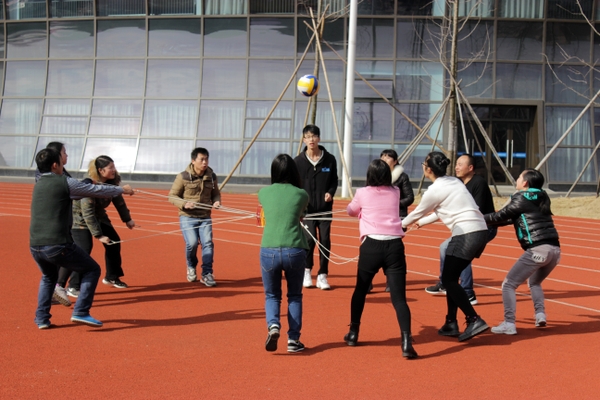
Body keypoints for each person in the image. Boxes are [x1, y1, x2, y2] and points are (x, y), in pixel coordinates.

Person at [30, 148, 134, 329]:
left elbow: (84, 186)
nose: (65, 160)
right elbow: (94, 190)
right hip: (57, 243)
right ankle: (81, 311)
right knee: (92, 269)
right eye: (62, 157)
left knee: (48, 277)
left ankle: (41, 318)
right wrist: (121, 189)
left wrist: (88, 182)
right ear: (55, 165)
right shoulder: (64, 182)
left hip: (35, 245)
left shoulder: (39, 182)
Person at [402, 152, 489, 342]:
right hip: (480, 230)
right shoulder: (454, 182)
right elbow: (441, 210)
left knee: (448, 280)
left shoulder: (434, 190)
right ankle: (451, 322)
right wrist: (422, 223)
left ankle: (473, 319)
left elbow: (417, 211)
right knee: (452, 278)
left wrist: (400, 225)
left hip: (466, 234)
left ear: (428, 169)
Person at [345, 159, 417, 359]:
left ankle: (353, 332)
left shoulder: (362, 192)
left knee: (360, 291)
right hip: (394, 245)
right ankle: (406, 341)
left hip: (371, 245)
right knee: (399, 298)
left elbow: (350, 211)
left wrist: (359, 208)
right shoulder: (395, 192)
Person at [484, 169, 560, 335]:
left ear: (525, 182)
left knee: (508, 285)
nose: (517, 179)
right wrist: (488, 222)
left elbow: (500, 216)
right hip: (555, 250)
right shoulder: (542, 196)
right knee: (534, 282)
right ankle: (540, 314)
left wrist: (475, 219)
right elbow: (511, 218)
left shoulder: (521, 197)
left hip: (538, 249)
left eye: (519, 177)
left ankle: (509, 323)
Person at [425, 154, 497, 305]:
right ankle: (446, 283)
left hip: (483, 227)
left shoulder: (478, 183)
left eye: (460, 164)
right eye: (456, 164)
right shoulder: (458, 183)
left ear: (470, 168)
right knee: (446, 248)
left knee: (461, 252)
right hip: (469, 228)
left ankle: (467, 292)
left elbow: (476, 210)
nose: (456, 167)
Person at [258, 154, 309, 353]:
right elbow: (301, 214)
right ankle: (293, 340)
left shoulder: (263, 193)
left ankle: (273, 325)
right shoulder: (301, 194)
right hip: (294, 248)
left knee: (272, 295)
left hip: (269, 248)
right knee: (294, 295)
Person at [71, 155, 136, 289]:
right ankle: (74, 285)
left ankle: (112, 277)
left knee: (114, 242)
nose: (114, 170)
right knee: (84, 250)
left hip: (99, 216)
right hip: (80, 219)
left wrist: (127, 219)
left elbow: (119, 201)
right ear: (100, 170)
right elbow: (87, 213)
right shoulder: (88, 185)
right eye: (110, 167)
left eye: (114, 167)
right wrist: (99, 235)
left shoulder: (112, 183)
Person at [294, 125, 338, 290]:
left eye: (313, 136)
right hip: (307, 210)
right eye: (307, 136)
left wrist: (330, 192)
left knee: (324, 240)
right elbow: (295, 184)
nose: (311, 139)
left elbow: (334, 180)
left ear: (319, 138)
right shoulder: (298, 161)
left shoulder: (330, 159)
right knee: (309, 240)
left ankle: (322, 275)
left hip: (325, 208)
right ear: (304, 140)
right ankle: (307, 271)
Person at [169, 147, 221, 286]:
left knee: (208, 243)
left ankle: (207, 273)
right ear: (193, 161)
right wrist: (184, 204)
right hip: (187, 216)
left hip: (205, 216)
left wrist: (216, 201)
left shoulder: (212, 176)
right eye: (201, 159)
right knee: (191, 244)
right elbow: (172, 196)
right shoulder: (183, 176)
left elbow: (216, 193)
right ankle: (191, 266)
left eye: (206, 159)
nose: (205, 162)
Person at [34, 142, 74, 306]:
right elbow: (72, 187)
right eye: (64, 152)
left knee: (53, 266)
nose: (66, 155)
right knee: (75, 258)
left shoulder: (61, 173)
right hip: (54, 227)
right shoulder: (48, 176)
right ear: (56, 157)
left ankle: (46, 305)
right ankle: (60, 288)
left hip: (60, 225)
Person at [379, 149, 414, 293]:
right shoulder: (376, 174)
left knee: (393, 251)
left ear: (395, 161)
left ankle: (391, 281)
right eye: (383, 157)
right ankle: (368, 281)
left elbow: (410, 197)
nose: (385, 159)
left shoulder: (402, 176)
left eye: (388, 157)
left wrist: (393, 204)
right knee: (374, 249)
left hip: (396, 217)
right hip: (378, 218)